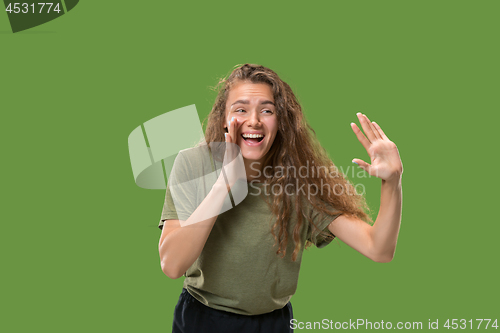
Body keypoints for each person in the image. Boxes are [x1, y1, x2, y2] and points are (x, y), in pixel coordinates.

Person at [158, 64, 403, 333]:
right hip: (202, 319)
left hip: (272, 324)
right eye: (240, 109)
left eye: (267, 110)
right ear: (223, 119)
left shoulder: (300, 179)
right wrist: (225, 185)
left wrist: (392, 181)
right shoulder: (193, 164)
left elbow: (378, 249)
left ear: (281, 121)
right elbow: (172, 265)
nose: (254, 120)